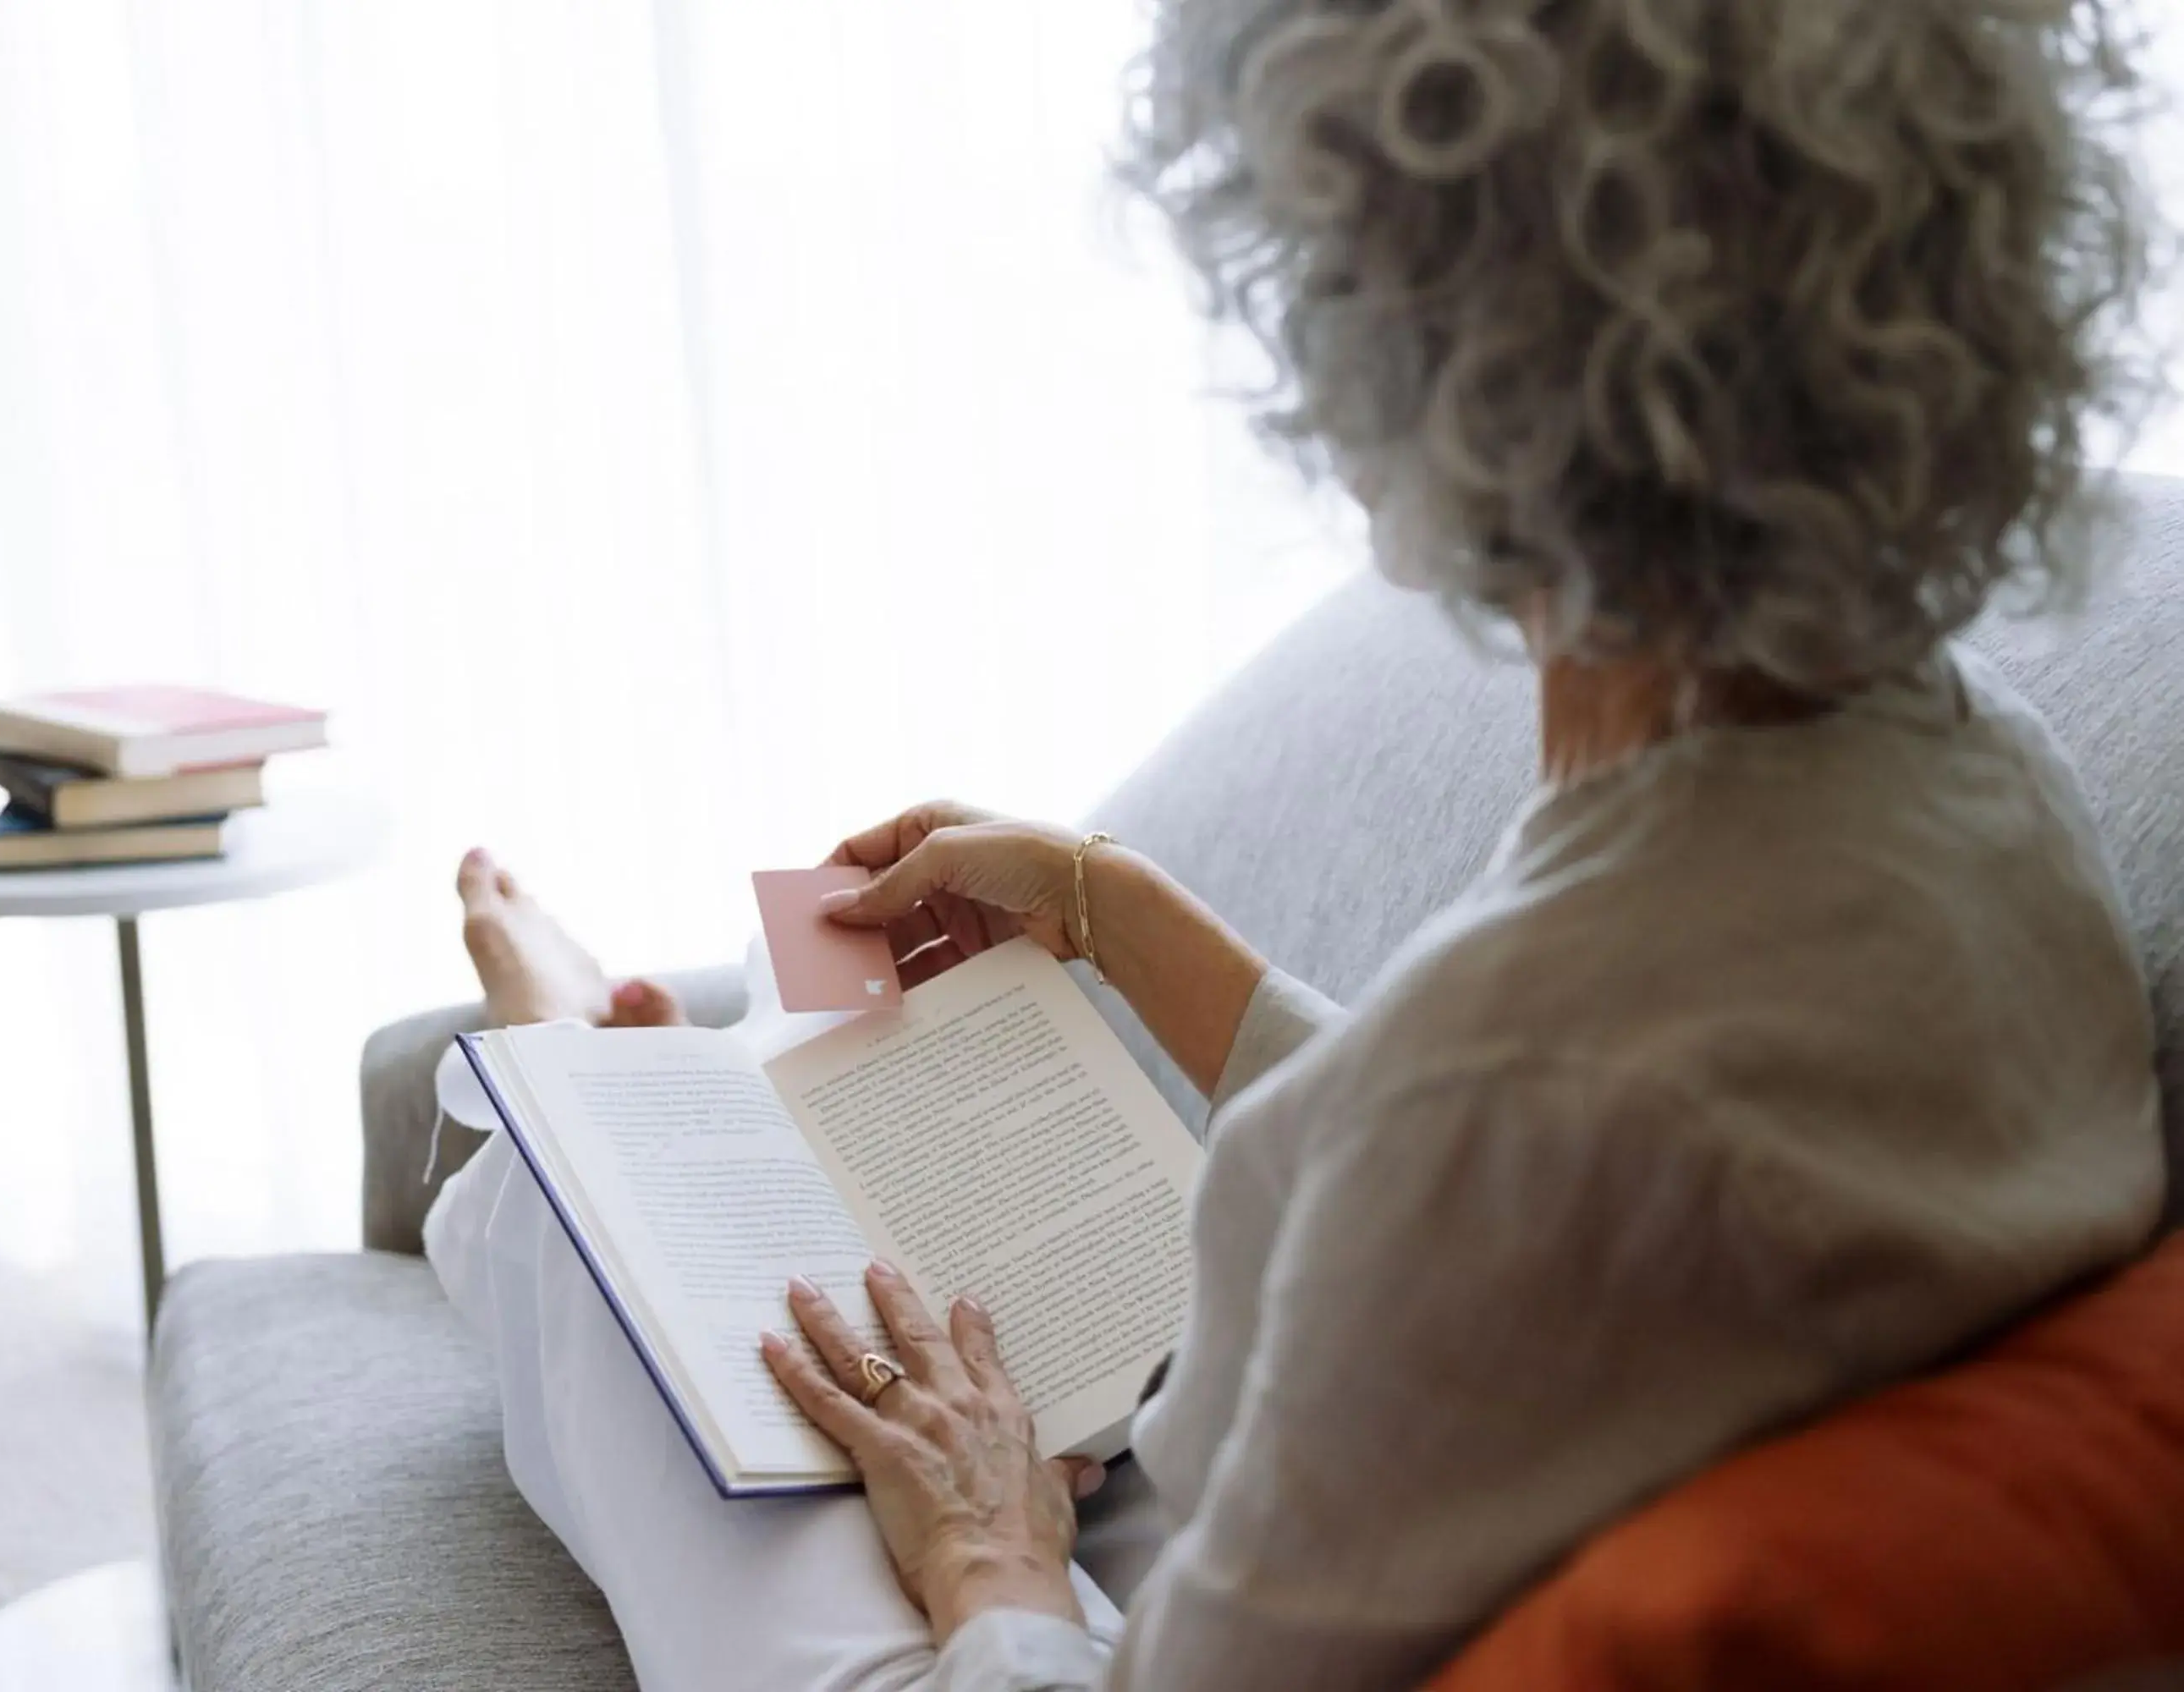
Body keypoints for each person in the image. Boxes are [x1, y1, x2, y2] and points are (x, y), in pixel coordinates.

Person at [424, 0, 2168, 1684]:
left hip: (1176, 1619)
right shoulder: (1979, 781)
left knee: (600, 1283)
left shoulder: (1520, 1080)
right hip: (1309, 1511)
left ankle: (569, 1087)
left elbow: (1506, 1130)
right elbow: (1538, 1176)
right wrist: (1113, 908)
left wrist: (990, 1563)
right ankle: (600, 1115)